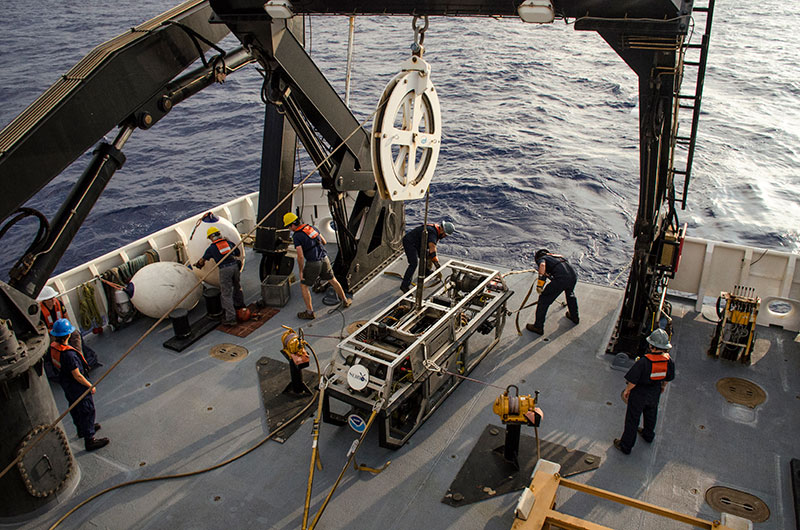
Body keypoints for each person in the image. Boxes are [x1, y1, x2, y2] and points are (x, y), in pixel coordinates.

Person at [50, 318, 110, 451]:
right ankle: (90, 439)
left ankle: (82, 430)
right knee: (86, 409)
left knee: (75, 408)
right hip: (77, 385)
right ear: (68, 335)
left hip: (67, 385)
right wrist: (89, 385)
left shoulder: (54, 348)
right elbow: (77, 374)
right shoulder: (69, 355)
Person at [613, 328, 676, 455]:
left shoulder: (644, 362)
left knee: (632, 419)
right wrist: (662, 387)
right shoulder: (668, 361)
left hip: (639, 394)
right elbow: (668, 378)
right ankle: (648, 435)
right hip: (655, 392)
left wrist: (627, 391)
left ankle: (626, 446)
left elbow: (633, 381)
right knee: (651, 414)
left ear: (651, 346)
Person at [284, 213, 352, 320]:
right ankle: (345, 300)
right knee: (332, 280)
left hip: (313, 263)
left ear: (292, 225)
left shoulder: (297, 236)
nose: (289, 229)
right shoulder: (311, 227)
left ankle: (310, 312)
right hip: (325, 259)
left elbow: (300, 256)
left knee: (304, 286)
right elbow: (324, 242)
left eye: (288, 227)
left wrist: (301, 271)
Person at [37, 286, 101, 371]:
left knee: (76, 335)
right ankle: (65, 366)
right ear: (44, 301)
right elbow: (42, 328)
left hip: (64, 329)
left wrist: (67, 329)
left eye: (53, 298)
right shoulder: (40, 311)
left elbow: (66, 317)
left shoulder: (59, 303)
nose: (53, 301)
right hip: (52, 333)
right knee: (55, 344)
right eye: (50, 299)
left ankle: (80, 357)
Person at [194, 227, 245, 325]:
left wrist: (198, 264)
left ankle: (231, 318)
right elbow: (238, 253)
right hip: (235, 267)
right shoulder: (229, 243)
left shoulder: (212, 248)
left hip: (225, 269)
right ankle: (240, 306)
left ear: (211, 237)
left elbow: (202, 260)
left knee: (226, 294)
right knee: (237, 287)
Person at [525, 249, 579, 335]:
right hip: (573, 276)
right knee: (570, 294)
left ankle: (538, 327)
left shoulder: (542, 259)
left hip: (561, 280)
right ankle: (574, 316)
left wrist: (540, 284)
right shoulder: (557, 257)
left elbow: (542, 265)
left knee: (543, 301)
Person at [400, 221, 455, 293]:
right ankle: (404, 286)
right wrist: (436, 263)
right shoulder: (433, 233)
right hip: (410, 243)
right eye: (445, 235)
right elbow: (432, 249)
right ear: (442, 230)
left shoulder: (435, 230)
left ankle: (426, 271)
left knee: (426, 255)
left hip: (417, 243)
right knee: (413, 263)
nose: (444, 236)